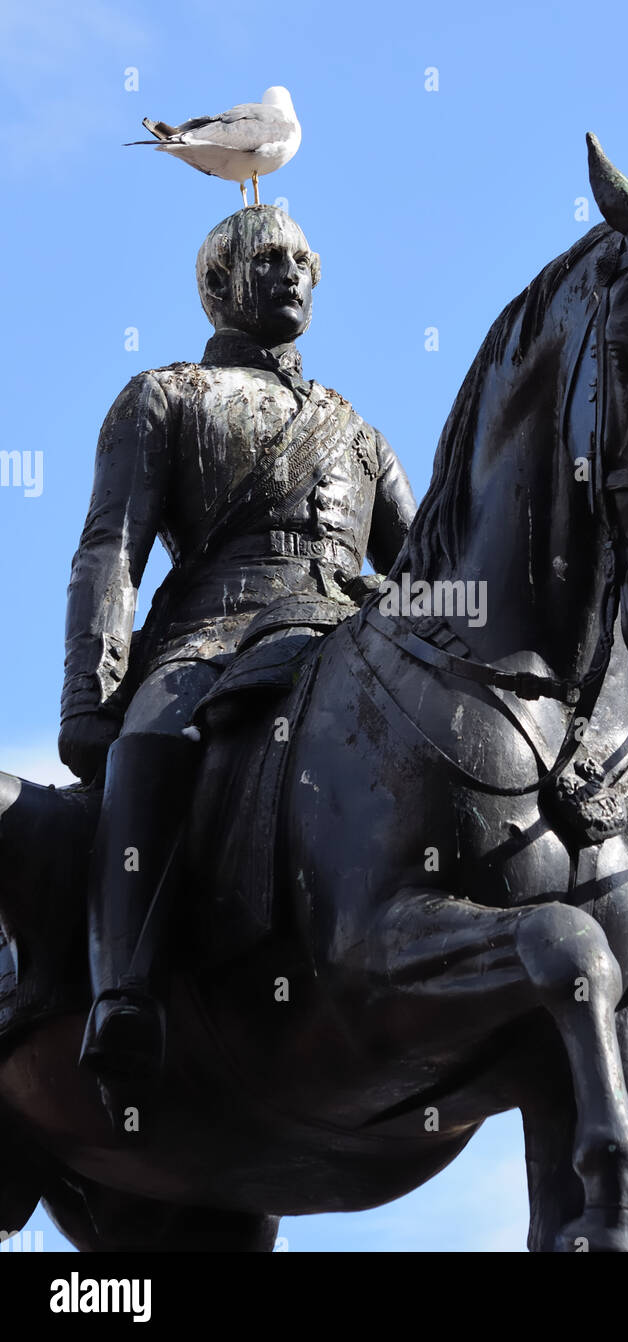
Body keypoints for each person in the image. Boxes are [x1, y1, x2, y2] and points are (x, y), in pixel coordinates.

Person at [59, 205, 416, 1121]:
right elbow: (112, 549)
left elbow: (428, 570)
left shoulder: (359, 432)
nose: (293, 273)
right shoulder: (164, 396)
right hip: (211, 638)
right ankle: (121, 996)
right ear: (220, 283)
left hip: (337, 635)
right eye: (270, 258)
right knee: (151, 742)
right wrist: (91, 697)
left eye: (305, 260)